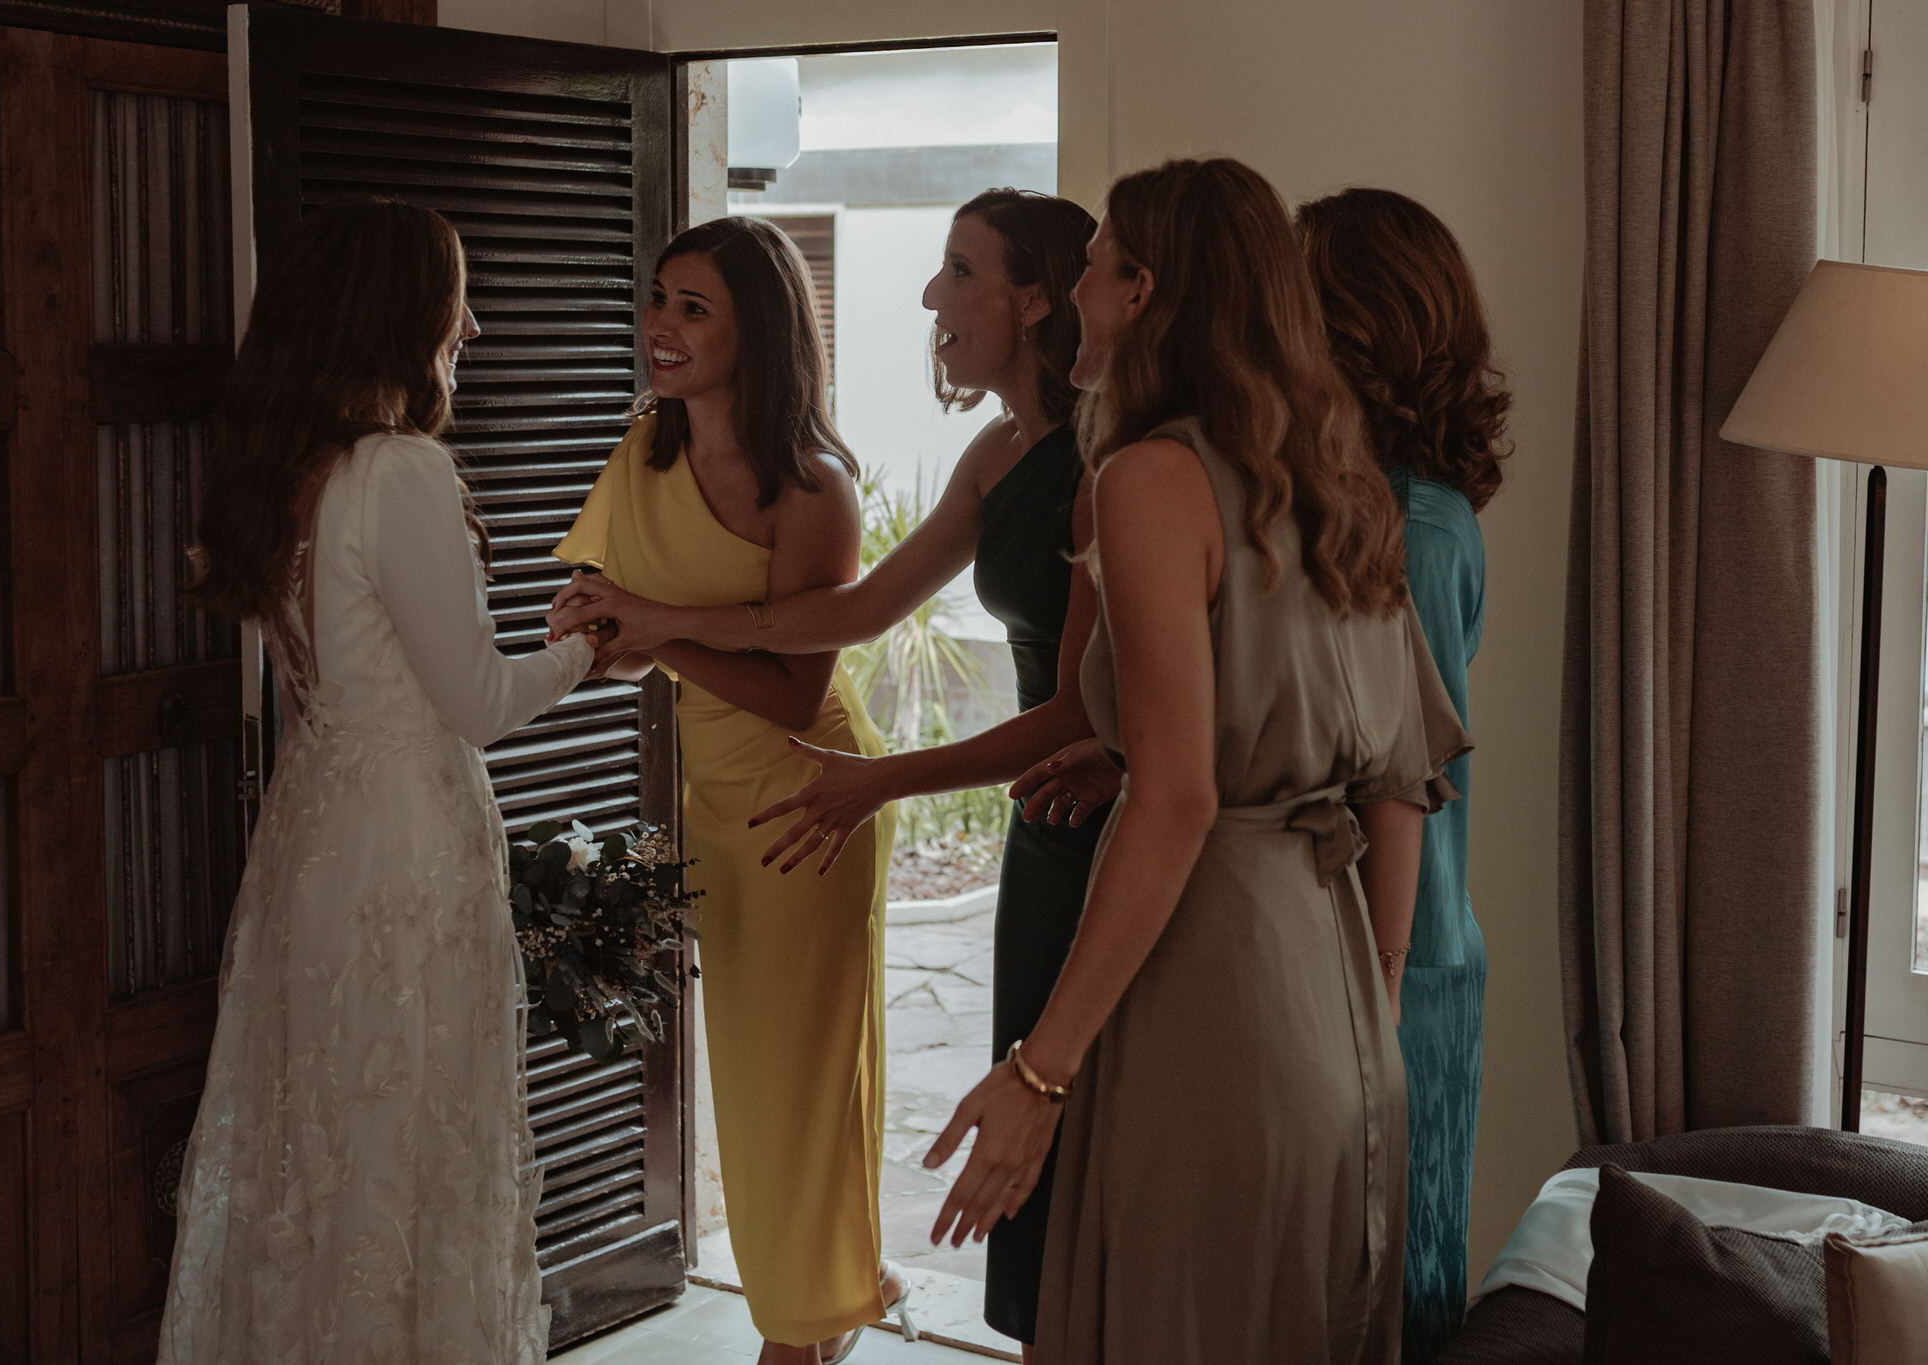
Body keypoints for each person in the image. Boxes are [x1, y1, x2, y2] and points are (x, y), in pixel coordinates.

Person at [923, 158, 1472, 1364]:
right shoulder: (1341, 479)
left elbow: (1177, 800)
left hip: (1210, 978)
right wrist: (1375, 1004)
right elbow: (1398, 785)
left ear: (1141, 292)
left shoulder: (1149, 477)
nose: (1075, 290)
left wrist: (1037, 1074)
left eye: (1092, 265)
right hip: (1331, 992)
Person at [546, 188, 1102, 1353]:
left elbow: (1073, 708)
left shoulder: (1105, 460)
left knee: (982, 1089)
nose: (928, 294)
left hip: (991, 794)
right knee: (797, 1072)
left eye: (958, 271)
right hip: (970, 810)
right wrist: (636, 630)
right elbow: (853, 611)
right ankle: (914, 1306)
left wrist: (667, 629)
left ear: (1035, 300)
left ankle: (822, 1324)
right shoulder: (996, 451)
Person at [157, 199, 594, 1365]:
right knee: (406, 1147)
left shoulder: (277, 474)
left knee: (326, 1145)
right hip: (404, 852)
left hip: (312, 840)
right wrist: (591, 650)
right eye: (457, 300)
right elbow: (477, 702)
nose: (472, 328)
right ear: (398, 314)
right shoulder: (398, 471)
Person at [545, 216, 898, 1365]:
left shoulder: (813, 486)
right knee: (746, 1079)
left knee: (798, 1074)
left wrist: (655, 629)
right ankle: (833, 1288)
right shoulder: (639, 457)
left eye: (693, 307)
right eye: (658, 297)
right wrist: (595, 634)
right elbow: (622, 641)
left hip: (808, 799)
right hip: (708, 800)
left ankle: (798, 1333)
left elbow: (795, 692)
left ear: (761, 329)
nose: (659, 324)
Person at [1298, 186, 1509, 1365]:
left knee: (1398, 1287)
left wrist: (1378, 989)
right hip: (1362, 941)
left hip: (1403, 952)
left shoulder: (1414, 529)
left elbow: (1399, 773)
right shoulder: (1355, 507)